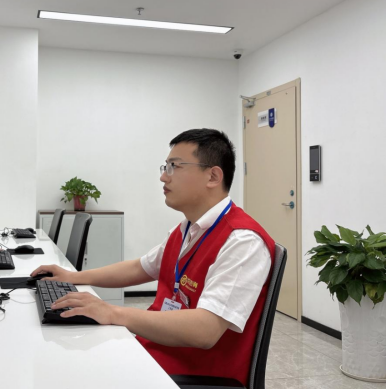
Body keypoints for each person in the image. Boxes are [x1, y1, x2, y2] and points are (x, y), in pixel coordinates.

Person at [31, 128, 275, 386]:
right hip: (154, 351)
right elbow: (139, 268)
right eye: (165, 167)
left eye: (174, 167)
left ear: (213, 176)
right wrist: (73, 276)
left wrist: (112, 312)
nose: (163, 177)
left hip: (190, 374)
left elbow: (205, 330)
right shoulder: (186, 229)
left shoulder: (242, 241)